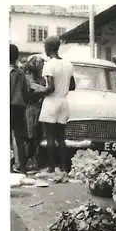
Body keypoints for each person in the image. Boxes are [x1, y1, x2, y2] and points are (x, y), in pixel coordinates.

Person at [37, 36, 75, 176]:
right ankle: (64, 167)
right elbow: (72, 85)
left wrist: (38, 91)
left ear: (48, 47)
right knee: (61, 137)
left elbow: (50, 88)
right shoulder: (68, 64)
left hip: (51, 101)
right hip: (64, 102)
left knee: (50, 137)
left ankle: (51, 167)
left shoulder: (49, 64)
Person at [23, 53, 48, 172]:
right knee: (30, 136)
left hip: (39, 108)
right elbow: (31, 88)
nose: (42, 68)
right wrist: (45, 90)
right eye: (40, 65)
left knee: (38, 135)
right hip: (31, 108)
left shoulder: (42, 78)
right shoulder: (28, 77)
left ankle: (35, 160)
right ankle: (28, 160)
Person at [10, 44, 30, 173]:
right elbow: (26, 92)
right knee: (19, 137)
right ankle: (21, 166)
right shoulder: (21, 72)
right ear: (17, 56)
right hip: (18, 107)